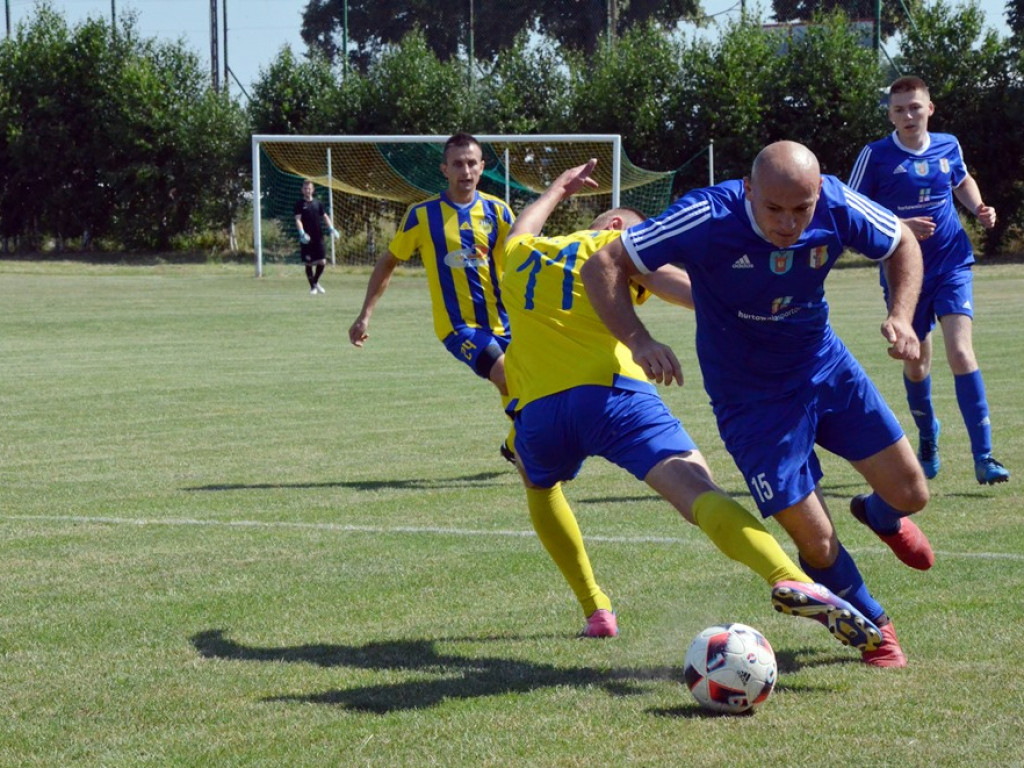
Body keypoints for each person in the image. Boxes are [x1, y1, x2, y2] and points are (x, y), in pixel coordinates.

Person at [502, 157, 882, 658]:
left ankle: (596, 608)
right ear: (617, 228)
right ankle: (788, 576)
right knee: (696, 491)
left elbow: (521, 226)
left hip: (538, 412)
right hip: (613, 396)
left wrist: (556, 190)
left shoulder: (520, 253)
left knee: (539, 484)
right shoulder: (611, 247)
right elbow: (690, 292)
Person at [580, 140, 933, 667]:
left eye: (801, 209)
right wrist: (639, 339)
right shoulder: (706, 214)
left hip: (824, 367)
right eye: (774, 209)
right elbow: (605, 262)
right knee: (815, 541)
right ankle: (875, 626)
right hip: (751, 402)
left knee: (912, 493)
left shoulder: (837, 203)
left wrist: (901, 316)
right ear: (748, 190)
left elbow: (902, 241)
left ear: (818, 194)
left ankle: (880, 515)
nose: (789, 224)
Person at [849, 75, 1009, 485]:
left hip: (952, 262)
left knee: (961, 353)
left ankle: (985, 456)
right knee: (917, 362)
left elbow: (961, 181)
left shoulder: (948, 145)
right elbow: (851, 209)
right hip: (904, 272)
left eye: (915, 107)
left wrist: (978, 207)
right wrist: (899, 225)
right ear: (890, 114)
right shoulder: (875, 156)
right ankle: (929, 438)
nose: (908, 115)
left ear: (930, 109)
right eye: (899, 109)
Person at [348, 133, 517, 456]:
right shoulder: (422, 216)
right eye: (457, 164)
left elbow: (524, 256)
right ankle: (535, 445)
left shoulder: (499, 212)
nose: (465, 171)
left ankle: (515, 444)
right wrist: (365, 314)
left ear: (482, 168)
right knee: (506, 374)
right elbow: (388, 262)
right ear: (444, 169)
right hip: (458, 326)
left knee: (530, 384)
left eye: (471, 164)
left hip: (506, 321)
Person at [294, 178, 339, 295]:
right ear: (302, 190)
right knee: (308, 263)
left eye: (309, 188)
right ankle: (313, 287)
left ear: (312, 190)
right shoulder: (299, 204)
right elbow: (298, 220)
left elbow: (325, 216)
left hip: (318, 237)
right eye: (305, 188)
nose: (307, 190)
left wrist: (331, 228)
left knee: (322, 262)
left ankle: (315, 282)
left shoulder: (318, 203)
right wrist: (302, 233)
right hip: (307, 239)